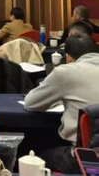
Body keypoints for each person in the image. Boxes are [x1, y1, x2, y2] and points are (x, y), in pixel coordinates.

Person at [25, 32, 99, 174]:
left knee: (36, 155)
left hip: (85, 158)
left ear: (68, 57)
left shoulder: (66, 72)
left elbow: (31, 102)